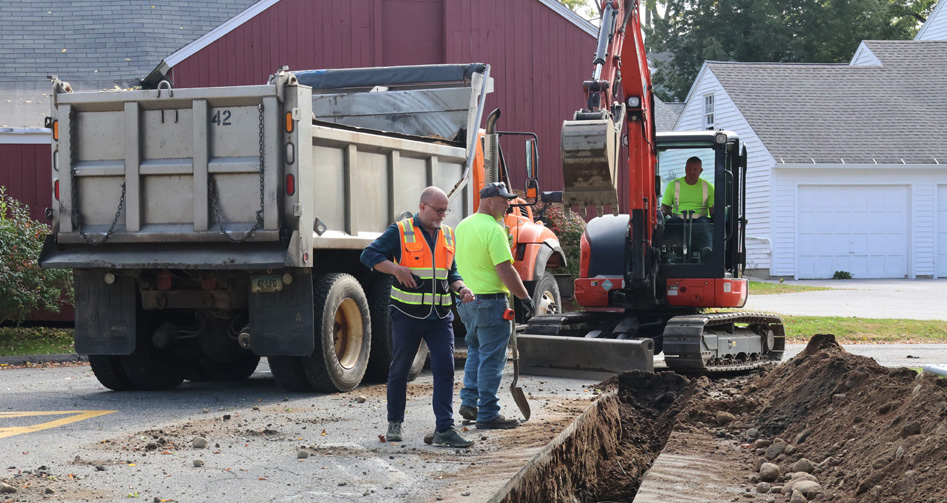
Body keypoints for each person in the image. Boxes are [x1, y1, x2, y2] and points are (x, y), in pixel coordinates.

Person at [360, 186, 475, 448]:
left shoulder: (448, 235)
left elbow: (451, 272)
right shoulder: (400, 231)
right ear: (422, 207)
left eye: (445, 211)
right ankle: (394, 423)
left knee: (445, 368)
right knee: (400, 369)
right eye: (438, 210)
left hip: (440, 315)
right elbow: (368, 255)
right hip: (407, 313)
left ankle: (444, 429)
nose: (442, 216)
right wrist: (396, 269)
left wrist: (462, 288)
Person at [453, 181, 536, 430]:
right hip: (490, 303)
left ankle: (470, 402)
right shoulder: (493, 228)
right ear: (489, 201)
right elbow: (504, 269)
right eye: (504, 200)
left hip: (466, 301)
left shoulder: (463, 225)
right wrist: (525, 298)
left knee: (476, 351)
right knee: (492, 358)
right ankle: (488, 413)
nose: (508, 205)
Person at [660, 156, 714, 257]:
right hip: (679, 219)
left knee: (704, 224)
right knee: (671, 223)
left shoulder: (708, 187)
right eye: (689, 169)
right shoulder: (673, 185)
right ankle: (667, 253)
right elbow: (665, 207)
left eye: (695, 169)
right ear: (685, 169)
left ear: (700, 171)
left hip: (699, 220)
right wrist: (662, 211)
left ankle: (706, 252)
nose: (692, 172)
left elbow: (713, 210)